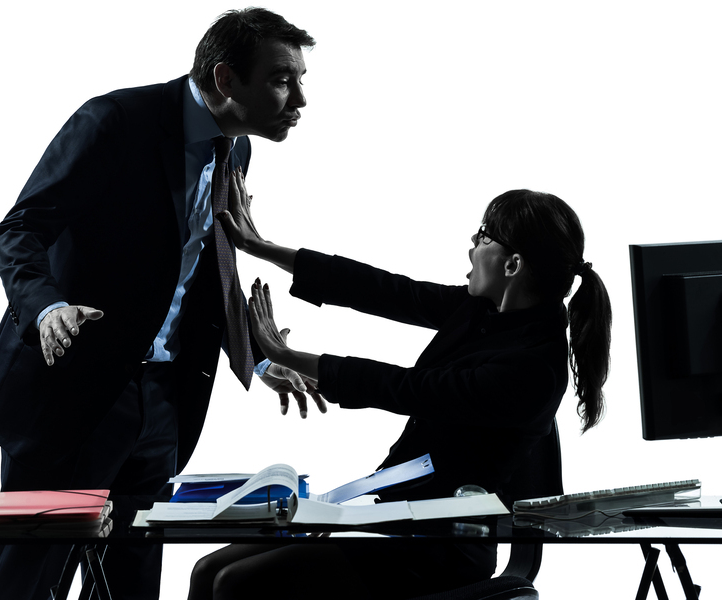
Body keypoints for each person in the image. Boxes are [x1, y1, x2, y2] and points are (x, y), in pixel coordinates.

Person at [0, 8, 322, 600]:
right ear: (226, 79)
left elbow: (205, 269)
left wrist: (257, 358)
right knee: (29, 584)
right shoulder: (114, 122)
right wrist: (46, 307)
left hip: (161, 400)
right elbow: (19, 229)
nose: (301, 99)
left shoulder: (234, 151)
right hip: (71, 389)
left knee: (132, 582)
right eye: (282, 80)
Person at [186, 183, 613, 599]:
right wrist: (259, 246)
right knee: (208, 571)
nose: (471, 245)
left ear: (512, 265)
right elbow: (383, 289)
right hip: (391, 513)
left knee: (236, 584)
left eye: (483, 235)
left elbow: (407, 389)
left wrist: (288, 354)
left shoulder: (534, 365)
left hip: (437, 547)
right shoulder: (486, 309)